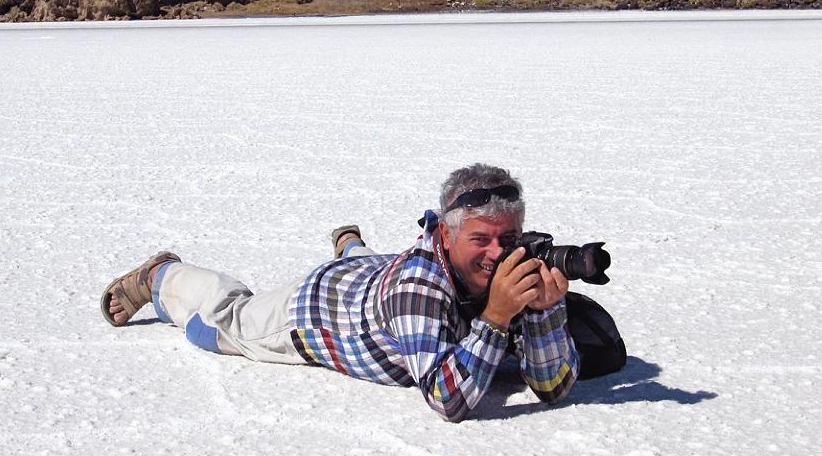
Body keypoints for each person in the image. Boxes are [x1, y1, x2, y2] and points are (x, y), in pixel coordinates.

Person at [101, 163, 584, 422]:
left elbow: (553, 388)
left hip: (370, 275)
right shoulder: (417, 290)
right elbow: (447, 400)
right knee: (225, 322)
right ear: (445, 235)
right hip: (315, 311)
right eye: (481, 240)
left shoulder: (488, 263)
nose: (498, 255)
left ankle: (351, 248)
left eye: (509, 239)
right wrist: (497, 317)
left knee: (367, 268)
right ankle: (163, 277)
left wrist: (543, 313)